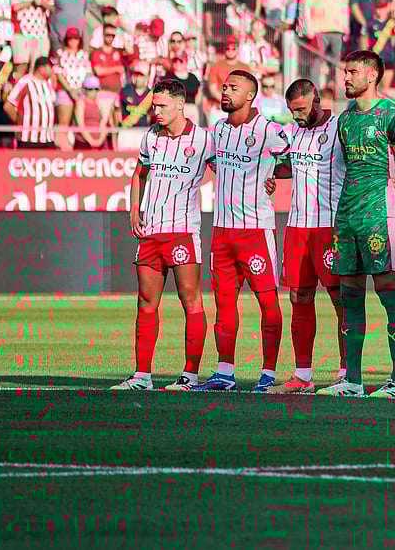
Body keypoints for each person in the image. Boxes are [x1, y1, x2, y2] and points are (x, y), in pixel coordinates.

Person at [316, 50, 395, 398]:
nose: (345, 78)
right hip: (347, 216)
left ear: (372, 76)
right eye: (345, 72)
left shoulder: (393, 116)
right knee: (350, 295)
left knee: (389, 292)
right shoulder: (344, 121)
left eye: (352, 72)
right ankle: (353, 381)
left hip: (379, 213)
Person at [189, 68, 290, 392]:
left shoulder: (269, 130)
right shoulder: (217, 131)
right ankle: (224, 372)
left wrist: (275, 175)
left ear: (250, 95)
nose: (225, 91)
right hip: (222, 231)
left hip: (256, 231)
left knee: (268, 304)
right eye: (224, 86)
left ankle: (269, 373)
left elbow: (295, 158)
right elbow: (211, 162)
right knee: (224, 305)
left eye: (233, 87)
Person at [111, 79, 215, 391]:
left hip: (183, 232)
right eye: (154, 105)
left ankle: (190, 376)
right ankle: (142, 376)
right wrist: (133, 210)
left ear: (181, 105)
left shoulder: (204, 140)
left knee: (191, 302)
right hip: (151, 232)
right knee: (145, 302)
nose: (155, 111)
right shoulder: (151, 137)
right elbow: (138, 173)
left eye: (161, 106)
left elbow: (226, 172)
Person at [268, 79, 348, 391]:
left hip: (331, 227)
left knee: (341, 298)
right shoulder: (292, 132)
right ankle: (302, 374)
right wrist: (270, 175)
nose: (297, 116)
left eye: (300, 109)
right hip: (298, 226)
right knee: (298, 296)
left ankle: (346, 371)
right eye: (291, 111)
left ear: (315, 99)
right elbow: (284, 165)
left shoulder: (340, 127)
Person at [4, 56, 57, 149]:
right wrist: (19, 122)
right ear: (42, 69)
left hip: (47, 138)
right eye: (50, 67)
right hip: (28, 139)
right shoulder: (26, 82)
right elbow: (8, 105)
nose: (52, 70)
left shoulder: (47, 83)